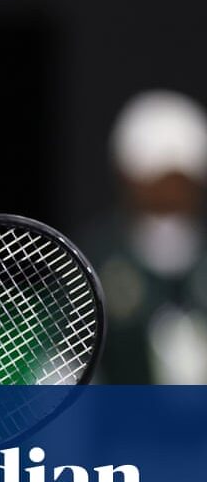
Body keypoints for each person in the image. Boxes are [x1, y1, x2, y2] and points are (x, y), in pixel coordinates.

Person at [82, 89, 207, 384]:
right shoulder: (95, 259)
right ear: (127, 177)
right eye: (155, 180)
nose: (169, 194)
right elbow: (63, 365)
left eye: (180, 179)